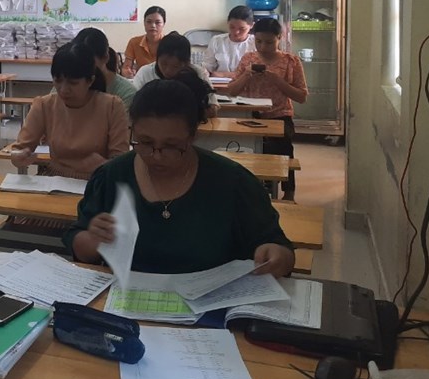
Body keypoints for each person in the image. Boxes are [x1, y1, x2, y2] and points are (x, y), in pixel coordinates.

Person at [65, 78, 295, 276]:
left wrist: (275, 255)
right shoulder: (111, 176)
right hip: (127, 303)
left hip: (211, 305)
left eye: (171, 145)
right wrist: (93, 240)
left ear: (193, 135)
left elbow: (279, 249)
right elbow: (80, 244)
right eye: (145, 142)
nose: (156, 156)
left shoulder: (233, 183)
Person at [11, 43, 130, 179]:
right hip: (55, 181)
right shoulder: (44, 105)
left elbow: (120, 161)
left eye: (73, 83)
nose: (63, 89)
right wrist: (19, 156)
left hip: (98, 181)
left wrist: (104, 164)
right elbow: (20, 149)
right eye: (58, 81)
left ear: (90, 81)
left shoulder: (113, 106)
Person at [227, 17, 308, 200]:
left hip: (279, 115)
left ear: (279, 38)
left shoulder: (291, 61)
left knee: (283, 150)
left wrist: (278, 81)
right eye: (258, 41)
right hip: (251, 116)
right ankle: (252, 189)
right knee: (247, 151)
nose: (263, 47)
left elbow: (302, 96)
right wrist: (246, 76)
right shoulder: (248, 59)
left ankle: (288, 193)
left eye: (269, 42)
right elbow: (232, 91)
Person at [133, 33, 219, 118]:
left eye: (176, 66)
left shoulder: (198, 73)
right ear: (157, 58)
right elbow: (133, 105)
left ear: (187, 63)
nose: (168, 71)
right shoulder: (145, 73)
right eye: (164, 64)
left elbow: (213, 108)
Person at [73, 27, 136, 109]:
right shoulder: (69, 85)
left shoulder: (127, 93)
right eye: (77, 61)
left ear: (105, 57)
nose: (81, 67)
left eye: (87, 62)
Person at [203, 5, 256, 79]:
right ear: (227, 23)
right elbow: (208, 67)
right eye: (232, 27)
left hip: (246, 83)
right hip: (219, 84)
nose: (236, 32)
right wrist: (205, 72)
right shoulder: (217, 41)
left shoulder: (256, 42)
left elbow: (257, 72)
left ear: (251, 25)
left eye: (242, 29)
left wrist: (224, 74)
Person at [123, 5, 166, 77]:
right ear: (144, 23)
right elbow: (126, 68)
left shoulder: (169, 43)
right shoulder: (134, 42)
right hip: (142, 80)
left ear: (164, 24)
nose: (153, 25)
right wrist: (128, 72)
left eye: (157, 22)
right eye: (149, 22)